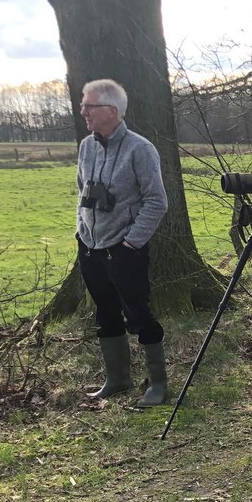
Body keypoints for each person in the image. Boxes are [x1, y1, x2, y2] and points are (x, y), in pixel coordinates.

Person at [75, 78, 169, 408]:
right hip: (90, 247)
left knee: (139, 315)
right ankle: (117, 379)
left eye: (89, 105)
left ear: (111, 110)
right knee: (105, 313)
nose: (82, 111)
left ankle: (158, 385)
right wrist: (81, 234)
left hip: (124, 249)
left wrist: (131, 243)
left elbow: (156, 201)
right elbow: (81, 192)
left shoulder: (140, 149)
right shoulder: (86, 146)